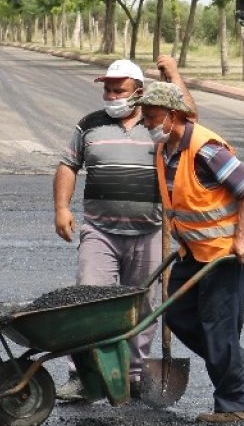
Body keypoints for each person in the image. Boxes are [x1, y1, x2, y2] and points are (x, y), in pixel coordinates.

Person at [52, 56, 196, 402]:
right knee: (87, 302)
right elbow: (68, 165)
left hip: (149, 231)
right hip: (99, 231)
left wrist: (174, 74)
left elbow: (190, 117)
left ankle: (132, 375)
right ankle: (82, 376)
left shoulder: (158, 125)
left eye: (120, 90)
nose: (112, 96)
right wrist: (61, 208)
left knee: (142, 305)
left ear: (139, 92)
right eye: (108, 90)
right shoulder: (89, 125)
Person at [135, 82, 244, 424]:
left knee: (218, 328)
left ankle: (234, 407)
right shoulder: (164, 149)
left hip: (224, 255)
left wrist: (242, 236)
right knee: (178, 314)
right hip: (192, 252)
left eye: (151, 117)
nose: (146, 124)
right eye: (145, 118)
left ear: (173, 115)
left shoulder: (205, 150)